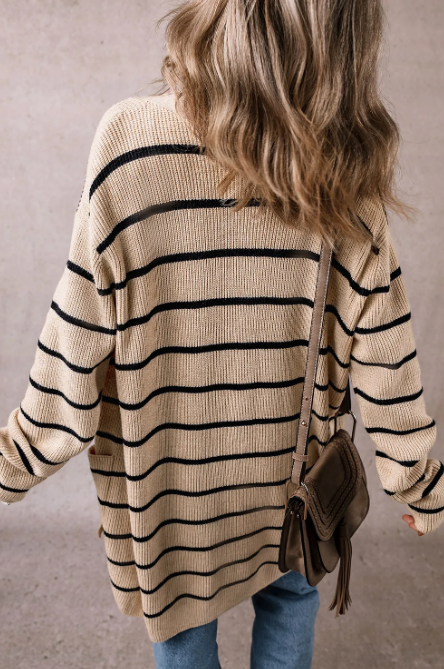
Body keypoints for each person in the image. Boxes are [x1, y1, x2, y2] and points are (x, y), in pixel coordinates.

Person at [1, 1, 443, 668]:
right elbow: (387, 359)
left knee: (182, 637)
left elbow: (74, 342)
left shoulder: (129, 143)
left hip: (172, 500)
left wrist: (14, 461)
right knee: (290, 606)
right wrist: (420, 486)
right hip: (293, 491)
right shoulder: (347, 175)